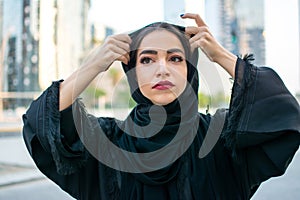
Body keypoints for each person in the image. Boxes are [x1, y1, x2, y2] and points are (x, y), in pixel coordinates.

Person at [22, 13, 300, 199]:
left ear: (190, 70)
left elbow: (284, 118)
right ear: (132, 73)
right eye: (147, 60)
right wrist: (93, 65)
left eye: (176, 58)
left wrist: (221, 56)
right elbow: (42, 124)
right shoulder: (105, 144)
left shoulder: (220, 141)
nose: (162, 69)